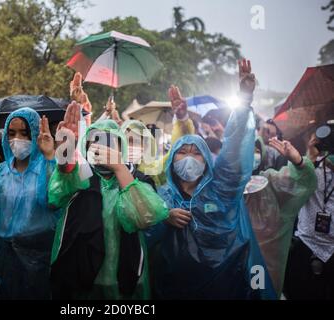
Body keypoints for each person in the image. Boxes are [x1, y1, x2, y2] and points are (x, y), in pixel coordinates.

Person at [146, 59, 276, 299]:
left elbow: (235, 148)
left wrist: (245, 99)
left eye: (197, 153)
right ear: (172, 160)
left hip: (225, 286)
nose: (189, 158)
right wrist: (164, 217)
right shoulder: (162, 195)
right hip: (173, 288)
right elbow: (143, 233)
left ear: (207, 161)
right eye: (182, 153)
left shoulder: (222, 189)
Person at [48, 102, 169, 299]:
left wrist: (120, 168)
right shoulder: (82, 176)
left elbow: (145, 217)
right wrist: (65, 152)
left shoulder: (137, 179)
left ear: (121, 147)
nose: (102, 147)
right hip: (80, 279)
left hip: (124, 279)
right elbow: (60, 186)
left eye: (110, 142)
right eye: (95, 141)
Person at [0, 107, 58, 300]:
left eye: (24, 133)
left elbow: (55, 200)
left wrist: (50, 157)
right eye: (11, 133)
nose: (17, 139)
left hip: (41, 257)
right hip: (5, 258)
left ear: (35, 134)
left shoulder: (49, 167)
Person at [245, 136, 317, 297]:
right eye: (245, 149)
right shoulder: (222, 188)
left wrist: (298, 162)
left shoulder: (269, 183)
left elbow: (304, 181)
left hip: (266, 267)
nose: (251, 155)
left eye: (256, 151)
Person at [284, 132, 334, 300]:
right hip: (306, 244)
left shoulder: (313, 167)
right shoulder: (311, 168)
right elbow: (293, 183)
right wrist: (307, 159)